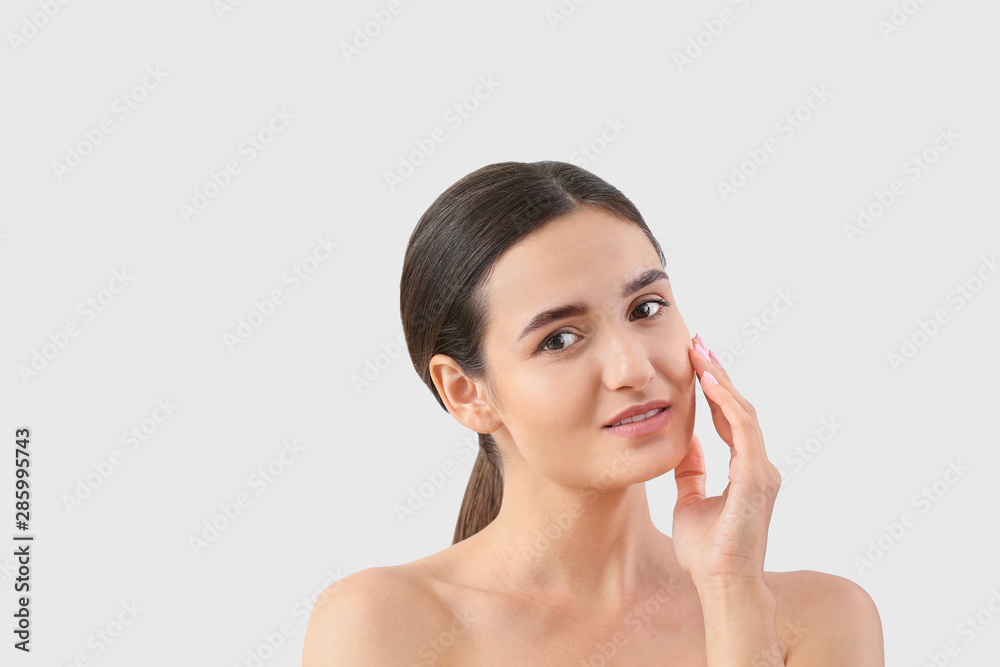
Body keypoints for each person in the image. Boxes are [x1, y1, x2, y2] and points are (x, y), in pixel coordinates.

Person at [303, 161, 884, 665]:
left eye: (646, 306)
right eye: (559, 339)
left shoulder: (821, 619)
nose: (632, 367)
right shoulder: (382, 625)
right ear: (465, 392)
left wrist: (732, 591)